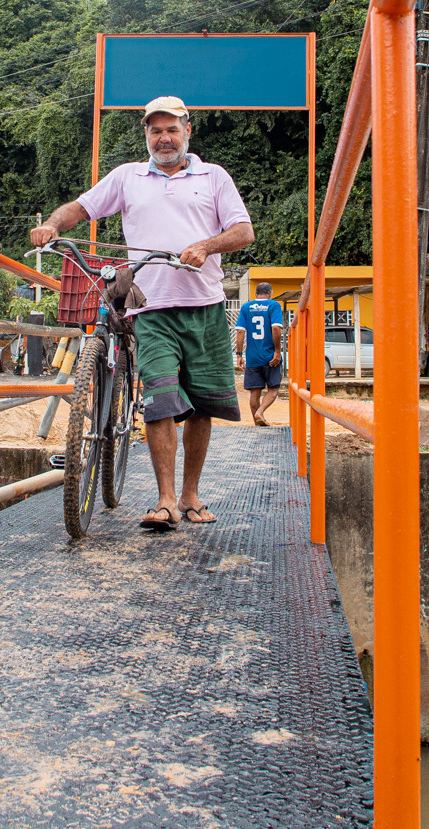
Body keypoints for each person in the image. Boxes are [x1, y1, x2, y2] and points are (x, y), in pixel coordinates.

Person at [30, 95, 254, 531]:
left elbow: (244, 231)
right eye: (155, 131)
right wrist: (53, 225)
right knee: (160, 404)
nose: (164, 138)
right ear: (146, 135)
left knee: (203, 405)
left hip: (205, 306)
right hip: (151, 309)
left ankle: (190, 494)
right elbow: (81, 207)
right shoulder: (127, 177)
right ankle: (166, 498)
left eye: (172, 129)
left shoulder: (214, 177)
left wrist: (206, 246)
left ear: (188, 131)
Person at [237, 281, 286, 425]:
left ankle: (256, 423)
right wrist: (277, 352)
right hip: (270, 356)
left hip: (252, 358)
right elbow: (276, 328)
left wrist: (239, 354)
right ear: (270, 293)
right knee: (273, 389)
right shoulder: (274, 305)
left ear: (255, 294)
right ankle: (260, 412)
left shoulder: (246, 307)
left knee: (254, 392)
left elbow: (240, 331)